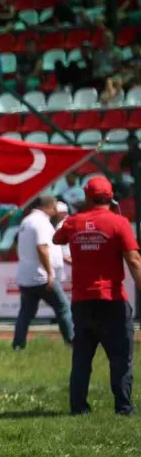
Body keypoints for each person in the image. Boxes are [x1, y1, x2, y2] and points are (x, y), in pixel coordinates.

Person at [53, 177, 141, 416]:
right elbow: (133, 260)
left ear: (87, 197)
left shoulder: (73, 222)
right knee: (121, 358)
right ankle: (123, 408)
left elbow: (56, 238)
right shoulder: (119, 223)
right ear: (111, 197)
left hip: (82, 302)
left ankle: (79, 408)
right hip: (113, 300)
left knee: (82, 358)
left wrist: (81, 216)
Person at [13, 197, 74, 350]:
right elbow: (42, 248)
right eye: (54, 208)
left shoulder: (27, 221)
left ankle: (18, 345)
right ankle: (72, 341)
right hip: (41, 277)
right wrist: (50, 273)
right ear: (48, 206)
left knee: (26, 313)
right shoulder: (41, 222)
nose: (55, 211)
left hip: (26, 276)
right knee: (63, 308)